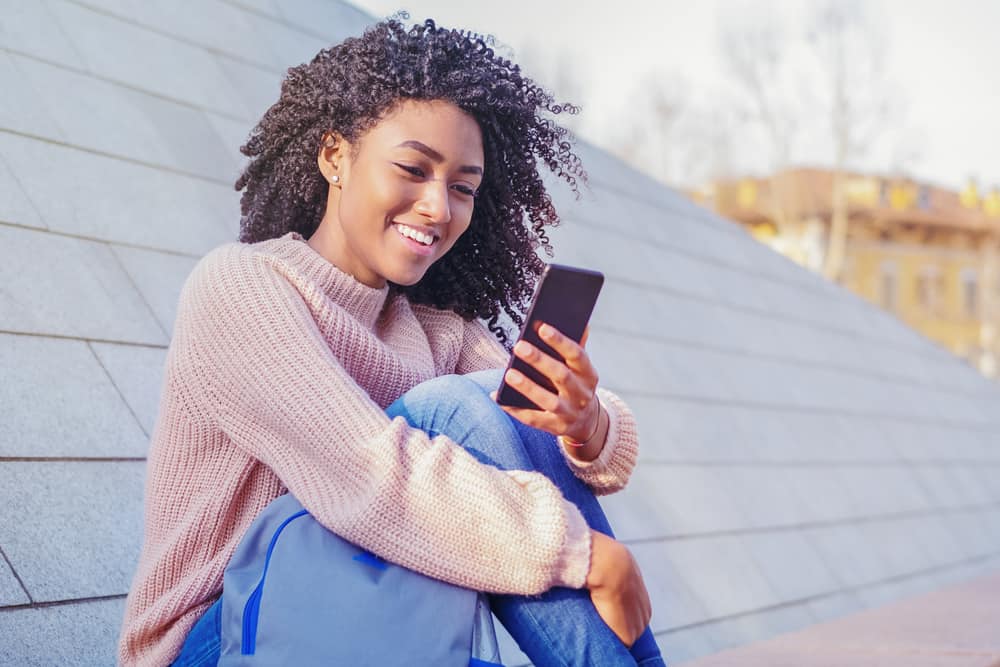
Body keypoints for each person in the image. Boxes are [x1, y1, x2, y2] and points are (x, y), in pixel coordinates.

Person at [119, 16, 665, 667]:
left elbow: (598, 454)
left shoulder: (437, 328)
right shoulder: (243, 287)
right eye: (413, 168)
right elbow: (374, 477)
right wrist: (588, 556)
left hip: (374, 627)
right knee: (465, 408)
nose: (438, 207)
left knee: (501, 397)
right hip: (224, 634)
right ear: (334, 157)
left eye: (462, 187)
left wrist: (586, 421)